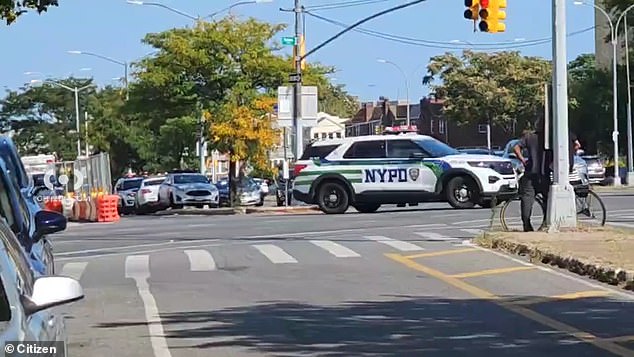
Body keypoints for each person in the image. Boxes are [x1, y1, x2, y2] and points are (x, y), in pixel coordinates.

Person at [513, 117, 549, 232]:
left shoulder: (529, 137)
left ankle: (527, 224)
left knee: (527, 200)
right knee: (548, 199)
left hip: (530, 173)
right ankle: (546, 222)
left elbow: (516, 147)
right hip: (545, 173)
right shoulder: (550, 138)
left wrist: (523, 160)